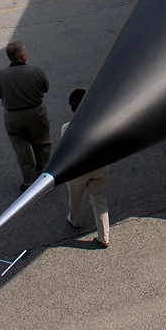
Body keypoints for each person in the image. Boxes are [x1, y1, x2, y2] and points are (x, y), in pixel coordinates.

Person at [0, 41, 51, 191]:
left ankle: (29, 180)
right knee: (42, 143)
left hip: (13, 117)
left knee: (21, 148)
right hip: (36, 113)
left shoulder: (1, 75)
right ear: (23, 56)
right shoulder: (36, 71)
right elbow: (45, 88)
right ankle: (44, 177)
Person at [63, 89, 110, 249]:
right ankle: (104, 237)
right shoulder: (101, 123)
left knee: (75, 197)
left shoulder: (67, 128)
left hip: (78, 171)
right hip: (99, 167)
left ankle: (75, 220)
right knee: (99, 200)